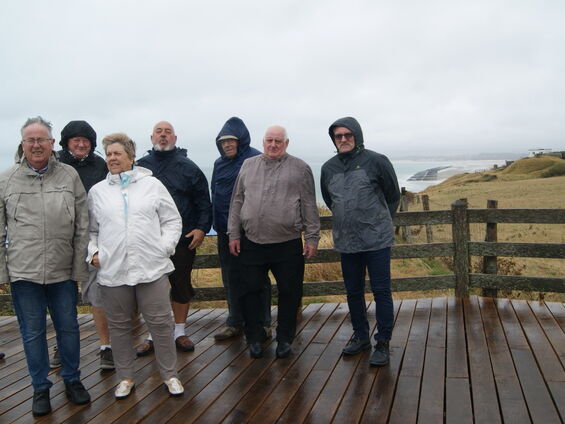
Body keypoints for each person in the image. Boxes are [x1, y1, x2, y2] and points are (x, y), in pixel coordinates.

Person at [0, 116, 91, 416]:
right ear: (22, 144)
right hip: (23, 273)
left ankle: (72, 379)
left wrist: (79, 268)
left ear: (53, 144)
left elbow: (82, 224)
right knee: (32, 333)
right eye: (31, 140)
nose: (36, 145)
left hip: (62, 270)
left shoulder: (68, 176)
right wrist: (2, 272)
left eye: (42, 140)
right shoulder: (6, 180)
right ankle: (40, 388)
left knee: (69, 329)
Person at [87, 133, 184, 399]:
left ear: (131, 157)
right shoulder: (97, 192)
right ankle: (126, 377)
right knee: (119, 327)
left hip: (151, 269)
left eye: (117, 153)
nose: (112, 158)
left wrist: (164, 247)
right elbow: (90, 231)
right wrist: (94, 252)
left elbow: (172, 221)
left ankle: (170, 375)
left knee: (162, 324)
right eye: (108, 154)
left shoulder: (152, 185)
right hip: (113, 271)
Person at [228, 125, 320, 359]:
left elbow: (309, 204)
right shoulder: (248, 165)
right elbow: (237, 201)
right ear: (263, 142)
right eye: (269, 140)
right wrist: (234, 234)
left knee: (290, 292)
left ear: (286, 143)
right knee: (250, 292)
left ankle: (285, 339)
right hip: (252, 242)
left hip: (287, 243)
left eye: (278, 141)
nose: (273, 144)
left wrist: (312, 237)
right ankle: (255, 337)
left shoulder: (300, 168)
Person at [320, 117, 400, 367]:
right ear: (333, 139)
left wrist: (376, 221)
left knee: (381, 292)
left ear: (357, 135)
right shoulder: (328, 168)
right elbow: (330, 200)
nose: (343, 139)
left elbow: (393, 196)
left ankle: (383, 342)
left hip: (376, 240)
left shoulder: (376, 161)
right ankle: (361, 337)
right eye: (338, 136)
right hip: (347, 242)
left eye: (347, 135)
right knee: (353, 292)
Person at [135, 121, 212, 355]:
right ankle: (152, 334)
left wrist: (201, 228)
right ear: (151, 138)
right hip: (147, 240)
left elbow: (203, 201)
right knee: (149, 287)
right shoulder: (139, 167)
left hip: (182, 238)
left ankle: (179, 331)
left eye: (168, 132)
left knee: (180, 284)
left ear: (175, 138)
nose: (163, 136)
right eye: (159, 132)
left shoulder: (189, 167)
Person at [49, 120, 113, 371]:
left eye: (85, 140)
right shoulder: (54, 167)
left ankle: (106, 347)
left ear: (92, 144)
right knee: (61, 297)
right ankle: (61, 345)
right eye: (75, 139)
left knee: (98, 296)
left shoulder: (101, 166)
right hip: (61, 240)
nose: (80, 143)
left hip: (94, 241)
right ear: (66, 142)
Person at [211, 117, 272, 341]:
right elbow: (215, 195)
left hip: (250, 231)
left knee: (257, 278)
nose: (227, 145)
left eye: (231, 140)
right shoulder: (219, 164)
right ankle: (234, 321)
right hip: (224, 231)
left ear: (241, 140)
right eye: (223, 141)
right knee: (231, 277)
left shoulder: (256, 159)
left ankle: (263, 323)